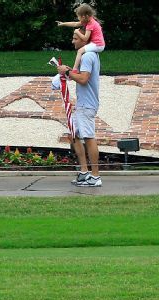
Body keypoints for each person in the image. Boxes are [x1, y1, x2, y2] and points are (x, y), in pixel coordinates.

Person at [58, 33, 102, 187]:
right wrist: (68, 71)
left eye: (75, 38)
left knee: (89, 137)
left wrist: (67, 72)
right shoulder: (88, 56)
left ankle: (95, 176)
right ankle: (84, 172)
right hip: (82, 104)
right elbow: (80, 76)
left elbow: (83, 79)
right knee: (74, 135)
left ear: (84, 40)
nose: (72, 41)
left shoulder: (88, 56)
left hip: (87, 105)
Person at [57, 3, 105, 71]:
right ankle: (77, 68)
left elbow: (85, 38)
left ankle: (75, 69)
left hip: (98, 45)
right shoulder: (88, 20)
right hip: (97, 44)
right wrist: (63, 23)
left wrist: (77, 32)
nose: (78, 18)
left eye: (78, 16)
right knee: (82, 51)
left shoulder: (90, 24)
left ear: (84, 16)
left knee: (80, 51)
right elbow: (75, 24)